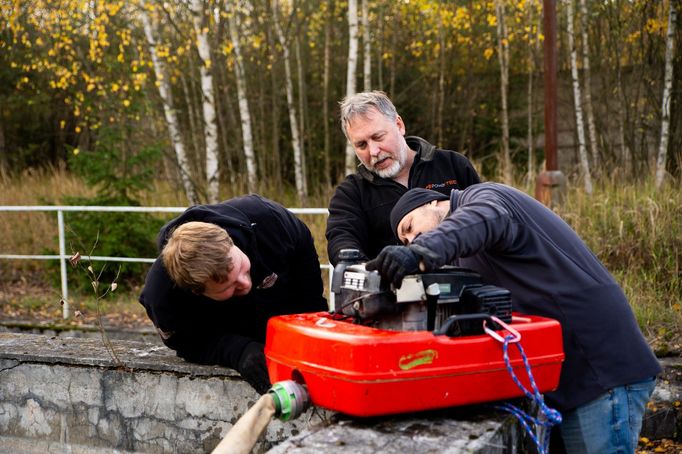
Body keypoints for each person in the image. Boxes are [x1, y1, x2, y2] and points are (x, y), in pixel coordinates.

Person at [366, 183, 661, 453]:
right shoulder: (461, 253)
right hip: (560, 379)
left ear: (432, 203)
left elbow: (481, 220)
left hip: (598, 367)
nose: (411, 238)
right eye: (404, 240)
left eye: (409, 227)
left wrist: (419, 252)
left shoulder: (486, 200)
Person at [139, 194, 327, 395]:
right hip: (229, 325)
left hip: (280, 292)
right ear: (197, 290)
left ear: (231, 242)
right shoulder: (162, 298)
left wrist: (314, 323)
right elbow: (187, 342)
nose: (245, 284)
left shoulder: (269, 221)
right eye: (230, 286)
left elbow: (304, 258)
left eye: (243, 269)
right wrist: (237, 351)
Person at [325, 90, 481, 266]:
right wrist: (368, 272)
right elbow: (341, 238)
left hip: (463, 283)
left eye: (378, 137)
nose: (374, 151)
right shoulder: (351, 193)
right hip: (391, 288)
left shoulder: (453, 165)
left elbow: (483, 216)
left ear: (399, 125)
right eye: (362, 145)